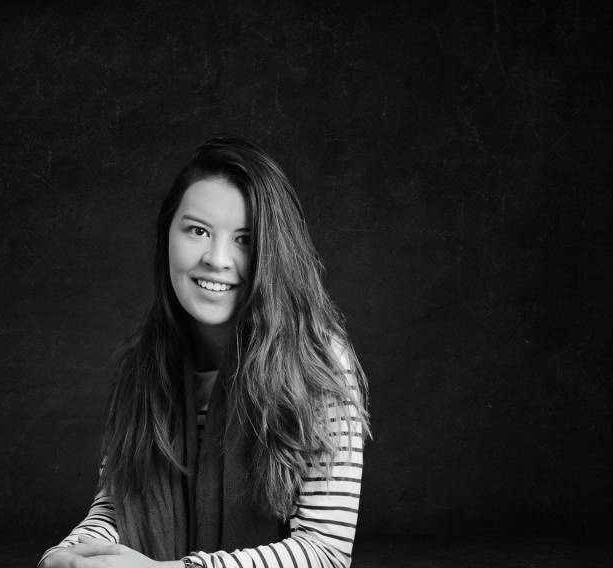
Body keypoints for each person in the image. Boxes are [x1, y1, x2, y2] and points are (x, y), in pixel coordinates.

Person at [39, 136, 369, 568]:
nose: (217, 259)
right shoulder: (143, 365)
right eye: (198, 230)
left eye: (245, 239)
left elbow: (326, 553)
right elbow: (115, 507)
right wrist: (67, 555)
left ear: (275, 251)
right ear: (167, 234)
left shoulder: (317, 363)